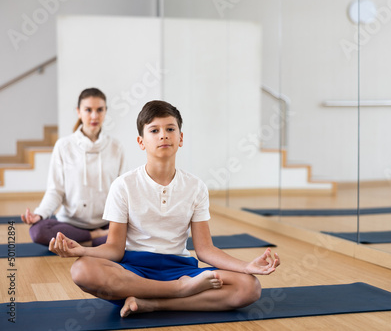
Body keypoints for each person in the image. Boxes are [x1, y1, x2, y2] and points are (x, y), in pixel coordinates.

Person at [49, 100, 280, 317]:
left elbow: (205, 250)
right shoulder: (123, 185)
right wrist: (82, 251)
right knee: (82, 270)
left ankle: (153, 303)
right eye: (154, 130)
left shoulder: (196, 187)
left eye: (170, 129)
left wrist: (247, 266)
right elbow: (114, 249)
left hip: (180, 267)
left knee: (249, 287)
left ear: (181, 138)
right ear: (141, 142)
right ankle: (178, 291)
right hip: (134, 269)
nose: (163, 136)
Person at [21, 88, 126, 246]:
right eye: (88, 110)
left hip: (106, 222)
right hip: (70, 224)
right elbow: (55, 191)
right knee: (38, 231)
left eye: (99, 110)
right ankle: (96, 238)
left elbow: (122, 192)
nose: (94, 116)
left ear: (105, 112)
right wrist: (40, 214)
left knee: (135, 231)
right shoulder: (63, 146)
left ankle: (84, 242)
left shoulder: (116, 147)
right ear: (78, 112)